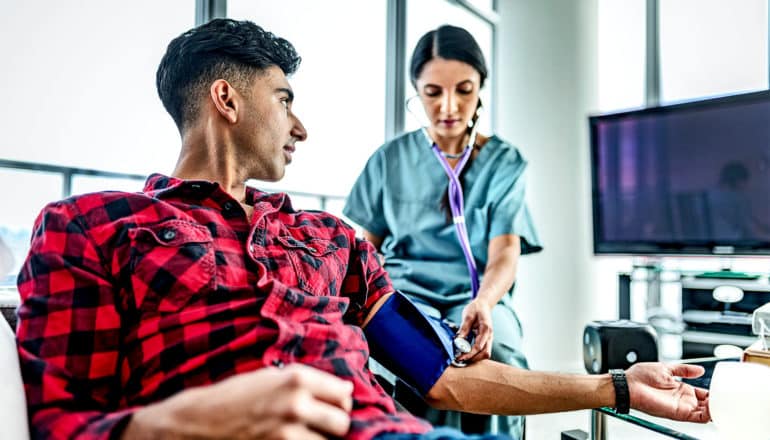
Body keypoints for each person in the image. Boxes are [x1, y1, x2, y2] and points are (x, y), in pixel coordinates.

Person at [15, 18, 710, 440]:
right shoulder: (90, 228)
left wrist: (616, 387)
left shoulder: (328, 241)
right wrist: (188, 421)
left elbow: (448, 383)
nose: (301, 126)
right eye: (284, 99)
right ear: (226, 98)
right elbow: (55, 423)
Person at [343, 25, 540, 436]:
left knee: (499, 349)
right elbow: (364, 252)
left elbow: (506, 251)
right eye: (432, 92)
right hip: (401, 296)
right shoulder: (388, 161)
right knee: (413, 355)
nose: (449, 106)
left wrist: (485, 303)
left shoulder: (504, 162)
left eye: (464, 90)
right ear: (416, 91)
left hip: (476, 298)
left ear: (481, 89)